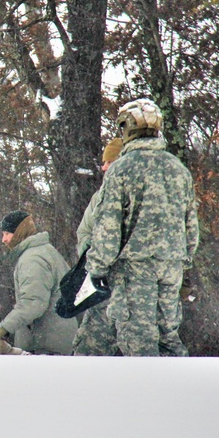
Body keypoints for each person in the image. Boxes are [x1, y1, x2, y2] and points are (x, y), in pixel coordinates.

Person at [86, 100, 199, 356]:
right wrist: (184, 262)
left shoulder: (122, 170)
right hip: (171, 267)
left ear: (125, 128)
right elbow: (191, 226)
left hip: (135, 269)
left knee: (138, 342)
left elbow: (108, 229)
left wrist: (98, 268)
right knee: (168, 337)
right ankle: (176, 391)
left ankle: (145, 393)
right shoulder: (178, 170)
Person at [0, 211, 78, 355]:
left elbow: (33, 303)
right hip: (59, 341)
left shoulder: (33, 259)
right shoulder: (46, 251)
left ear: (19, 232)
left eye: (7, 234)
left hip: (47, 345)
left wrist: (4, 328)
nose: (3, 240)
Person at [72, 137, 123, 356]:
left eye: (109, 162)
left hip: (129, 289)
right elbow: (83, 232)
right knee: (88, 349)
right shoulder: (98, 198)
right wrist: (91, 256)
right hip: (101, 286)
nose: (103, 167)